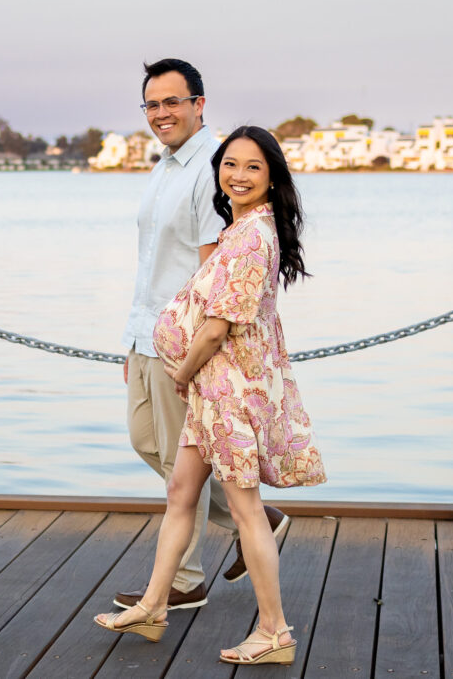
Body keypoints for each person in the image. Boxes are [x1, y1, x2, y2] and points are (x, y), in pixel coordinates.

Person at [96, 125, 326, 666]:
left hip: (225, 390)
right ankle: (154, 605)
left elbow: (218, 327)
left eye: (252, 167)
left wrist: (183, 372)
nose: (238, 176)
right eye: (229, 165)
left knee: (247, 511)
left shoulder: (251, 237)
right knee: (180, 490)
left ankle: (273, 631)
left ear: (272, 177)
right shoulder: (241, 227)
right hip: (212, 388)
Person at [117, 59, 288, 613]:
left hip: (188, 348)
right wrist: (135, 340)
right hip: (148, 337)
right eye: (152, 104)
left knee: (178, 463)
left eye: (173, 102)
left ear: (199, 103)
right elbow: (150, 261)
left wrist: (192, 359)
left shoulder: (211, 167)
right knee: (148, 442)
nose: (161, 113)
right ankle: (261, 519)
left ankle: (184, 580)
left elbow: (211, 274)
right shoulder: (163, 166)